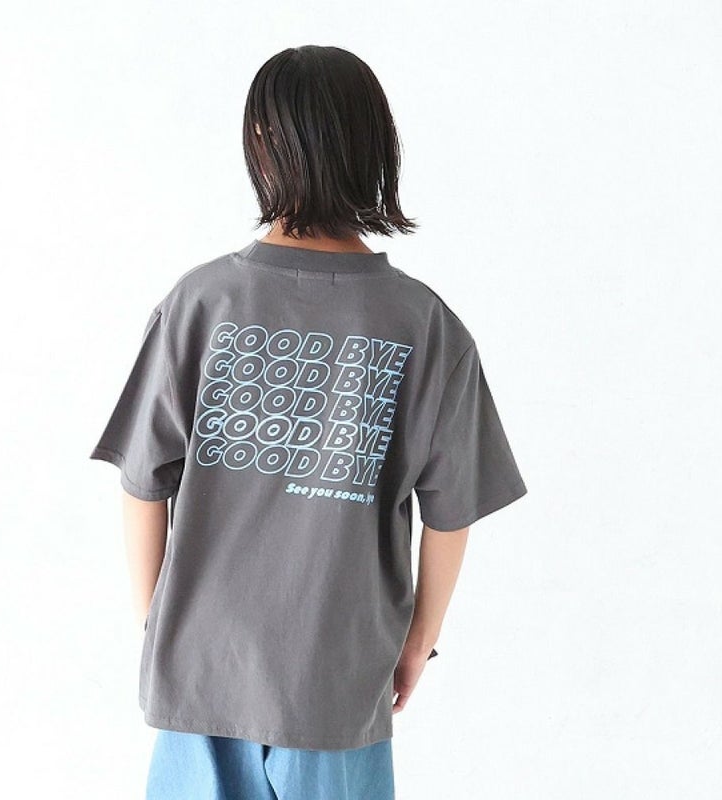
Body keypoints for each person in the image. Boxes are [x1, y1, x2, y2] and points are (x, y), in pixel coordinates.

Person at [89, 44, 528, 800]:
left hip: (203, 675)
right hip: (339, 680)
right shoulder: (425, 325)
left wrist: (159, 626)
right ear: (374, 147)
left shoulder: (200, 304)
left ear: (261, 143)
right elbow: (451, 511)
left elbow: (141, 484)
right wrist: (418, 641)